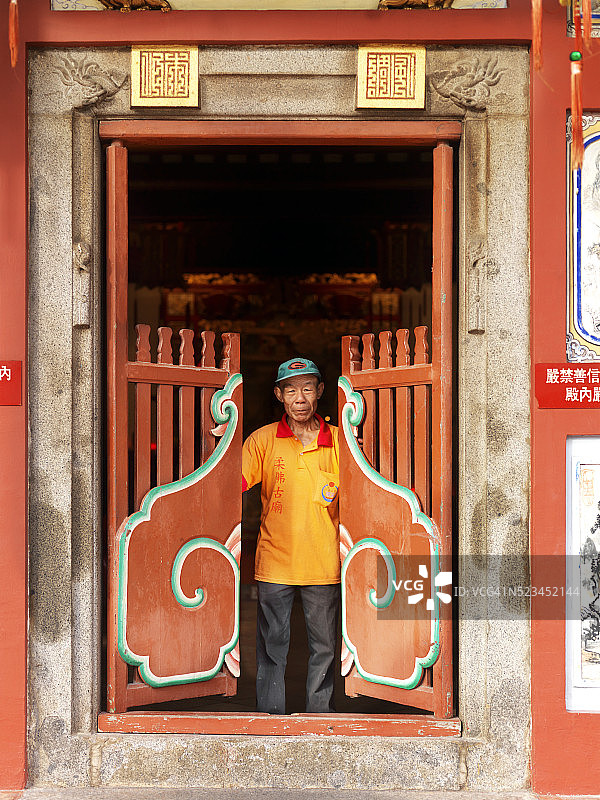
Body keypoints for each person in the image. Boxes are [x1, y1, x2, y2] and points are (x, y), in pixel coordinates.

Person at [242, 358, 340, 714]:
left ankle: (319, 714)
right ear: (279, 395)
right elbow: (227, 487)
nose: (300, 398)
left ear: (320, 393)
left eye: (308, 388)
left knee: (325, 646)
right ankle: (271, 716)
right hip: (275, 561)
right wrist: (218, 447)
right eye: (292, 390)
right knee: (272, 645)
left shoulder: (339, 441)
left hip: (323, 560)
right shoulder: (262, 441)